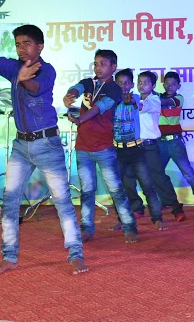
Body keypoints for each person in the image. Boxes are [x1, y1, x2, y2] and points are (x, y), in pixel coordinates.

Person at [0, 24, 87, 276]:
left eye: (26, 44)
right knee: (10, 202)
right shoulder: (15, 67)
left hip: (47, 143)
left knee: (62, 202)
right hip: (20, 146)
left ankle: (76, 255)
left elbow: (36, 87)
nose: (21, 49)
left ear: (39, 46)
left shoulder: (47, 70)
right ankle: (9, 257)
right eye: (18, 44)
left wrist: (24, 79)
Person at [64, 49, 138, 243]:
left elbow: (99, 108)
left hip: (104, 148)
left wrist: (80, 120)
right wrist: (69, 96)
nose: (98, 67)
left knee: (116, 190)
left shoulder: (114, 89)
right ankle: (87, 228)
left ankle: (129, 226)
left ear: (113, 67)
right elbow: (76, 88)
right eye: (96, 64)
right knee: (87, 191)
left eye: (103, 64)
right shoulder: (89, 82)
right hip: (83, 148)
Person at [123, 71, 186, 222]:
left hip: (149, 146)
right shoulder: (133, 98)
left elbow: (141, 106)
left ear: (153, 85)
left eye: (145, 83)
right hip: (133, 146)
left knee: (159, 177)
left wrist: (130, 101)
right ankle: (137, 208)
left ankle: (176, 208)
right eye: (139, 82)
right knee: (127, 176)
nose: (141, 85)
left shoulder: (154, 100)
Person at [113, 69, 165, 230]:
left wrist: (133, 102)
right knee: (120, 188)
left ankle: (157, 217)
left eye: (127, 83)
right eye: (120, 83)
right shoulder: (111, 101)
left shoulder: (136, 98)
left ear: (131, 85)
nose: (123, 86)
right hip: (118, 151)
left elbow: (140, 105)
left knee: (148, 185)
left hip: (137, 149)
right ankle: (124, 219)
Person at [157, 71, 194, 211]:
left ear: (178, 86)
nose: (169, 87)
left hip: (175, 143)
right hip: (160, 142)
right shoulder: (157, 97)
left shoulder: (178, 98)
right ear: (163, 84)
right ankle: (162, 200)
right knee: (157, 173)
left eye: (173, 84)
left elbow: (164, 102)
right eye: (167, 84)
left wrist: (150, 99)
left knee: (188, 172)